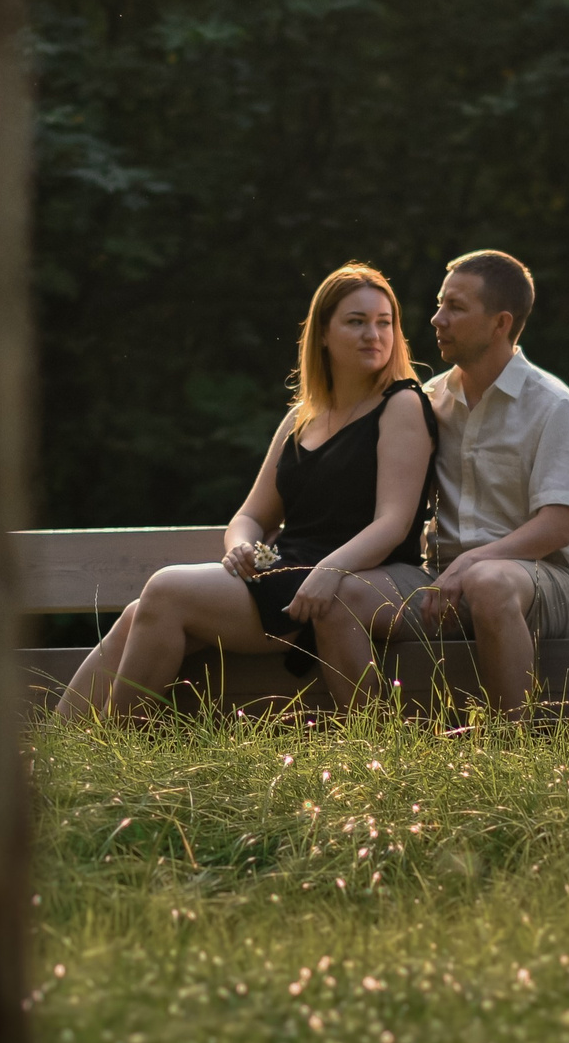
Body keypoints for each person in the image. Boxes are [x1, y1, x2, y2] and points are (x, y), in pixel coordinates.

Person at [55, 262, 439, 718]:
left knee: (165, 589)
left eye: (384, 322)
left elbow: (393, 523)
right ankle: (61, 749)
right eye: (355, 322)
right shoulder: (302, 418)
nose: (372, 335)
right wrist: (240, 548)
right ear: (322, 333)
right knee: (143, 610)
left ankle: (105, 749)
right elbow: (251, 516)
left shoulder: (402, 404)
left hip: (354, 579)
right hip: (286, 569)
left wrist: (331, 569)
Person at [414, 249, 569, 709]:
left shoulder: (552, 405)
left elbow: (556, 528)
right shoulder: (428, 400)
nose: (437, 318)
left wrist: (469, 563)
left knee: (490, 583)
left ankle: (510, 754)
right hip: (443, 580)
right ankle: (370, 748)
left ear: (500, 323)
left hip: (549, 580)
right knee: (351, 594)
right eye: (440, 304)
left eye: (455, 307)